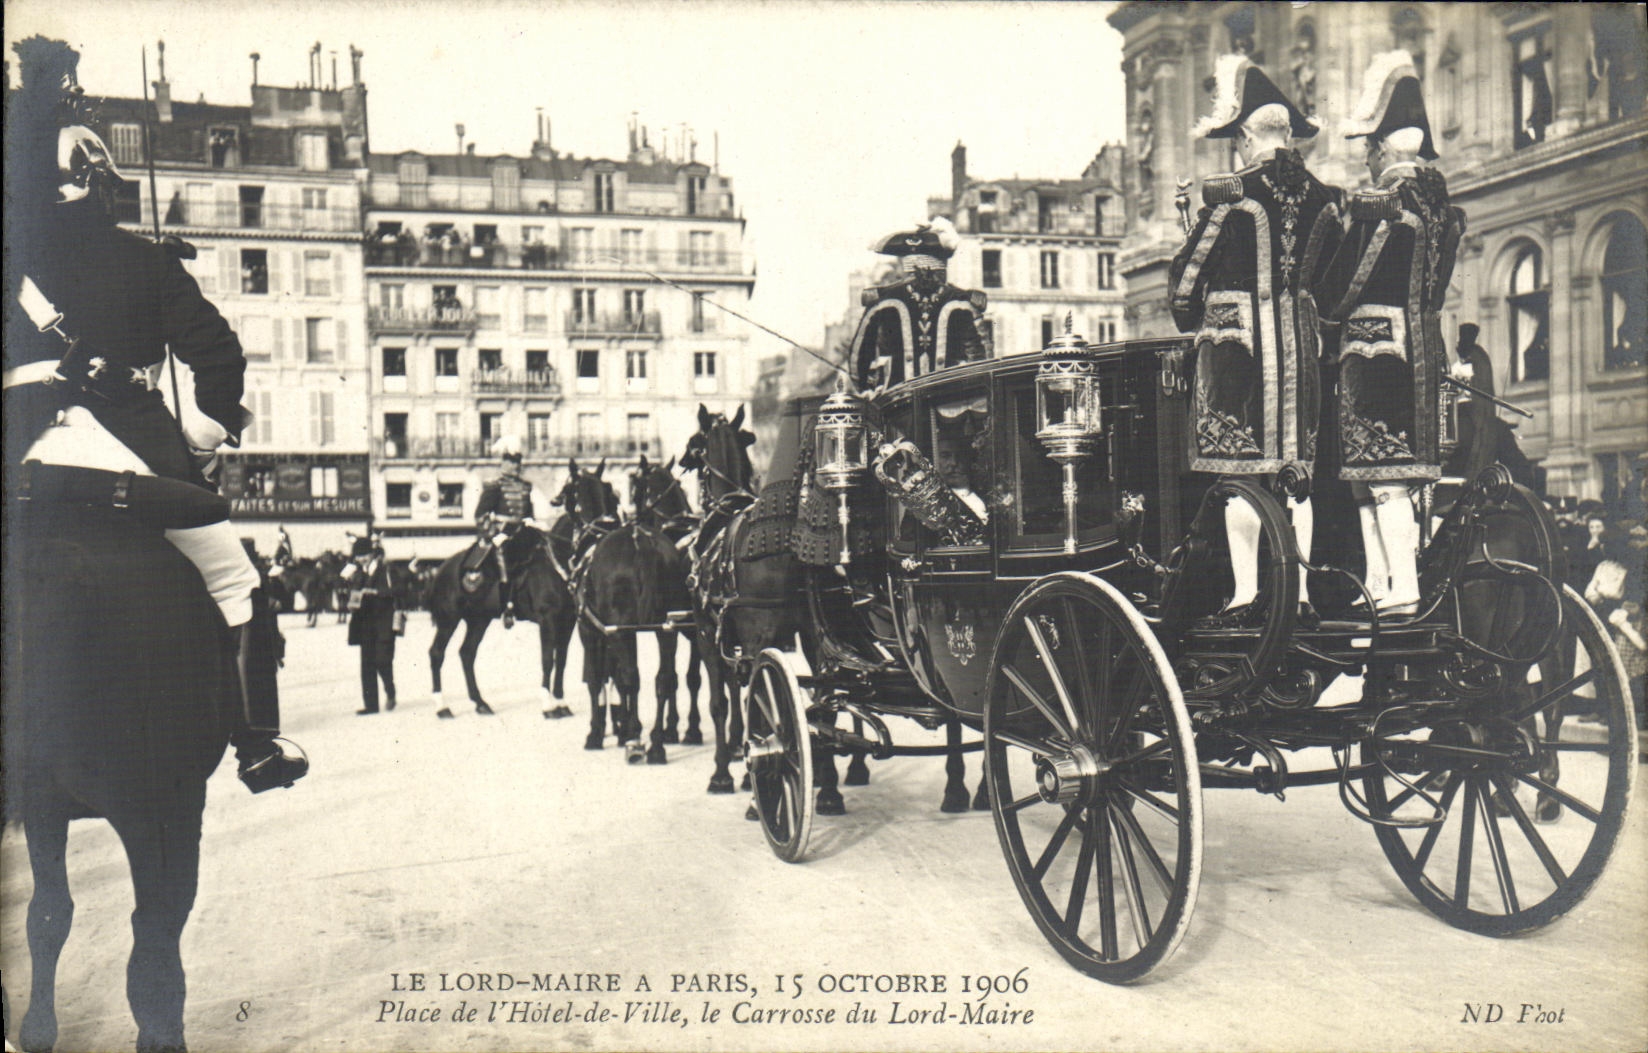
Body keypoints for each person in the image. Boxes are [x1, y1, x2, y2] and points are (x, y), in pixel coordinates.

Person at [3, 36, 304, 792]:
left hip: (16, 451)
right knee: (237, 584)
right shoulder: (145, 260)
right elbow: (221, 357)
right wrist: (199, 438)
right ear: (100, 186)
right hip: (125, 451)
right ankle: (257, 745)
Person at [1169, 54, 1343, 624]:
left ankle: (1246, 597)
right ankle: (1300, 597)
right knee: (1297, 475)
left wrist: (1187, 303)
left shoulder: (1229, 192)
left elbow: (1189, 279)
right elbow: (1330, 279)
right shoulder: (1327, 197)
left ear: (1247, 137)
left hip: (1239, 352)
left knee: (1239, 473)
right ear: (1288, 137)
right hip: (1300, 349)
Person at [1320, 50, 1468, 615]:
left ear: (1381, 148)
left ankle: (1397, 583)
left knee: (1377, 476)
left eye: (1368, 149)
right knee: (1391, 478)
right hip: (1423, 350)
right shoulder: (1444, 211)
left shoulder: (1378, 205)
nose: (1364, 159)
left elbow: (1340, 288)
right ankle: (1383, 580)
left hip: (1374, 354)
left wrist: (1319, 311)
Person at [852, 217, 988, 390]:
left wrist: (868, 391)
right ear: (941, 267)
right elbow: (981, 364)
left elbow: (858, 365)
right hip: (951, 404)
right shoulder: (964, 302)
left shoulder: (881, 301)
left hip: (896, 403)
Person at [470, 435, 540, 628]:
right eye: (511, 462)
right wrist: (494, 534)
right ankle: (507, 606)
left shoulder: (526, 487)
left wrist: (533, 523)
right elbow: (481, 515)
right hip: (501, 534)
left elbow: (528, 513)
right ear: (503, 463)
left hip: (522, 532)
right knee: (505, 558)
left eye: (517, 462)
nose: (515, 466)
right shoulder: (495, 486)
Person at [344, 532, 398, 714]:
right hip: (365, 624)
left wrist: (374, 592)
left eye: (364, 555)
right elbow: (353, 594)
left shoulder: (386, 570)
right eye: (358, 557)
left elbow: (396, 591)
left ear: (372, 554)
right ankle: (371, 705)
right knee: (366, 665)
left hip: (384, 622)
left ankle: (390, 691)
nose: (362, 560)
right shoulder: (358, 573)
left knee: (382, 661)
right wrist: (352, 602)